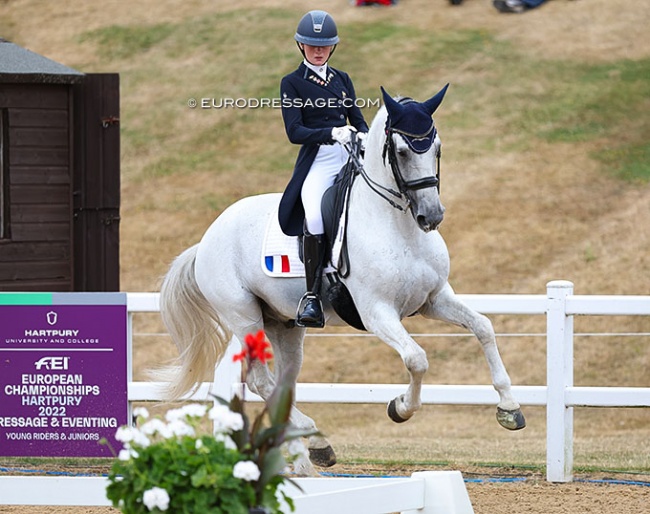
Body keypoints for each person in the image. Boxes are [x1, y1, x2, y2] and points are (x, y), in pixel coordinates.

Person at [279, 10, 369, 328]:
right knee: (315, 215)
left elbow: (358, 121)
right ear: (301, 46)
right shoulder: (292, 83)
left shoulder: (342, 79)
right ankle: (313, 296)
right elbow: (295, 132)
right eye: (311, 45)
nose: (318, 51)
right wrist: (331, 132)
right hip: (318, 158)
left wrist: (364, 138)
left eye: (324, 46)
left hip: (348, 155)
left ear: (332, 47)